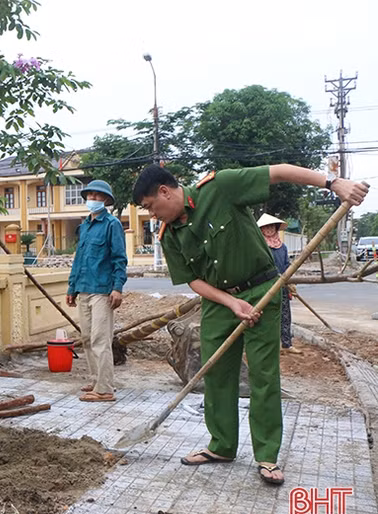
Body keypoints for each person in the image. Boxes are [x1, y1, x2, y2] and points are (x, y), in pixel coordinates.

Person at [132, 164, 368, 486]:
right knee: (215, 374)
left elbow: (279, 172)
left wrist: (332, 182)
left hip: (261, 291)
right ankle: (222, 446)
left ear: (164, 191)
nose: (152, 215)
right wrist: (231, 303)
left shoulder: (220, 188)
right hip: (219, 303)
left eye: (150, 207)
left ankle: (267, 455)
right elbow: (193, 281)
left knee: (264, 375)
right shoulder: (169, 235)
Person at [65, 180, 128, 403]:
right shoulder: (85, 227)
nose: (93, 198)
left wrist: (117, 288)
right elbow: (79, 259)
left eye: (98, 195)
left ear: (106, 200)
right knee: (87, 338)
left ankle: (105, 389)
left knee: (101, 339)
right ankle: (95, 380)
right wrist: (72, 286)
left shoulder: (112, 225)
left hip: (102, 290)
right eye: (90, 195)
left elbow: (119, 259)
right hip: (83, 288)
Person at [257, 213, 300, 354]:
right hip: (265, 286)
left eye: (271, 227)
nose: (269, 229)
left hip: (282, 286)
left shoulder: (282, 247)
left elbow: (287, 265)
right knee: (267, 316)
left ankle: (287, 344)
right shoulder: (260, 246)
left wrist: (290, 282)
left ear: (276, 228)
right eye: (266, 227)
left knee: (285, 315)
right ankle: (269, 345)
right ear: (261, 230)